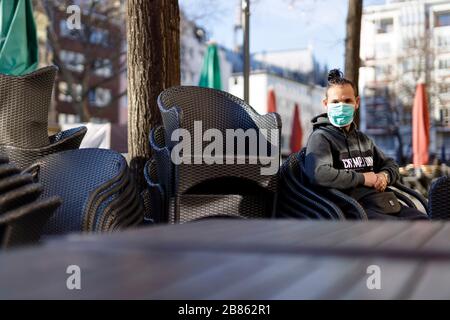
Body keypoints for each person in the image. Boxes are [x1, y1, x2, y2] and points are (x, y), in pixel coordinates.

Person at [304, 69, 428, 220]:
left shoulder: (364, 140)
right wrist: (363, 178)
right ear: (326, 104)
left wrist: (385, 176)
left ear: (357, 103)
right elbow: (319, 173)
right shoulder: (321, 137)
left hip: (382, 203)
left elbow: (391, 164)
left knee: (425, 223)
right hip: (352, 210)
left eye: (347, 101)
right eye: (335, 102)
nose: (341, 106)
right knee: (401, 232)